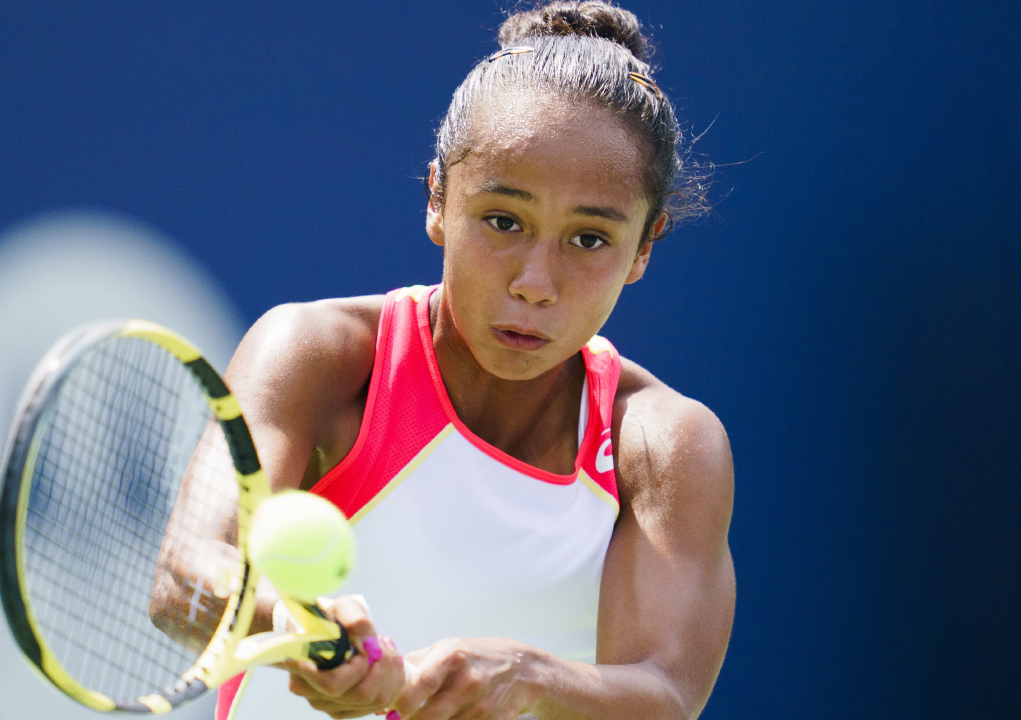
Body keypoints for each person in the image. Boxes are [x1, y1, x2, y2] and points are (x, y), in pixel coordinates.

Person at [151, 2, 735, 718]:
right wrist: (302, 629)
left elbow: (668, 695)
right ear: (438, 199)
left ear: (644, 247)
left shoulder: (665, 445)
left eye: (588, 240)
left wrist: (528, 676)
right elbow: (186, 579)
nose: (534, 282)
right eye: (502, 221)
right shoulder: (317, 356)